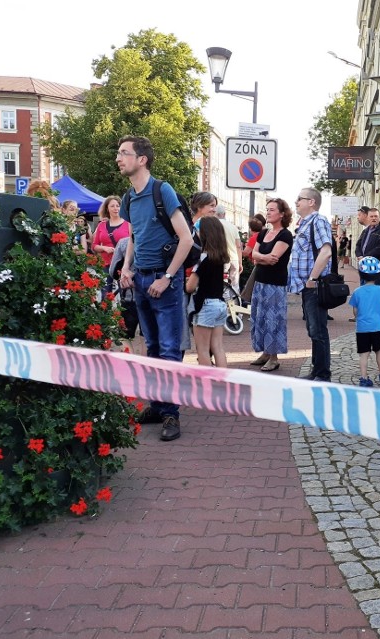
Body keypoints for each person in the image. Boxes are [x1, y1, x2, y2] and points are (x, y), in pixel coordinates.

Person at [117, 135, 193, 442]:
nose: (119, 158)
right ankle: (158, 404)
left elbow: (186, 238)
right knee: (152, 348)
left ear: (142, 159)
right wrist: (126, 267)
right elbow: (135, 235)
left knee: (170, 350)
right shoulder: (129, 197)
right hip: (142, 280)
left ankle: (171, 414)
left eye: (124, 153)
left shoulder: (162, 190)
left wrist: (169, 277)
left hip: (165, 281)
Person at [288, 188, 332, 382]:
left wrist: (312, 279)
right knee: (313, 330)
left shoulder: (318, 221)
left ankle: (323, 374)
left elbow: (326, 251)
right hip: (307, 286)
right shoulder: (304, 224)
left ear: (311, 202)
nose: (296, 201)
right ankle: (317, 370)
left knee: (318, 330)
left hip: (315, 285)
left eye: (300, 199)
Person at [249, 198, 293, 372]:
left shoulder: (285, 235)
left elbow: (273, 259)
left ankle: (274, 358)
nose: (268, 212)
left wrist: (260, 257)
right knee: (259, 318)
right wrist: (261, 258)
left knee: (273, 320)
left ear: (282, 214)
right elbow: (254, 254)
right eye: (267, 209)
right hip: (260, 282)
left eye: (272, 210)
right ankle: (265, 353)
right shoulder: (263, 233)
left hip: (275, 284)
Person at [186, 217, 232, 369]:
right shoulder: (220, 257)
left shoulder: (203, 258)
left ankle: (207, 384)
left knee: (203, 349)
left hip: (205, 305)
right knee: (218, 347)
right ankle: (223, 381)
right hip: (219, 304)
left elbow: (190, 287)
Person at [350, 256, 380, 387]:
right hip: (377, 327)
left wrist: (359, 317)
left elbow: (355, 312)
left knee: (364, 354)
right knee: (378, 350)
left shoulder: (357, 292)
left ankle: (363, 378)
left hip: (362, 328)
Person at [92, 195, 130, 274]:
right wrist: (104, 248)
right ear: (107, 208)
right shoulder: (101, 225)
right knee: (106, 286)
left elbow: (133, 243)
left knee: (122, 286)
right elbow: (94, 245)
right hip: (105, 264)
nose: (116, 208)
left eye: (118, 206)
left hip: (123, 264)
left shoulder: (128, 224)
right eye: (112, 206)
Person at [355, 207, 380, 287]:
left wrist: (365, 257)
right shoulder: (365, 231)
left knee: (373, 290)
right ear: (368, 218)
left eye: (376, 216)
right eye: (371, 216)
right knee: (363, 288)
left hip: (375, 267)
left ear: (379, 217)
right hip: (363, 265)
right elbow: (358, 245)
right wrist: (359, 255)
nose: (374, 218)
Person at [241, 213, 267, 304]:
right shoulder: (264, 234)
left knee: (251, 288)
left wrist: (237, 249)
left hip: (256, 265)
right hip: (262, 264)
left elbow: (245, 253)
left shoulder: (254, 237)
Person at [216, 205, 243, 290]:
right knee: (234, 286)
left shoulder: (214, 226)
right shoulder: (233, 227)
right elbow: (238, 246)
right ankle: (235, 301)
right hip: (234, 259)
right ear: (224, 214)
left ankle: (225, 302)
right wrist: (240, 263)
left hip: (222, 259)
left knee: (222, 285)